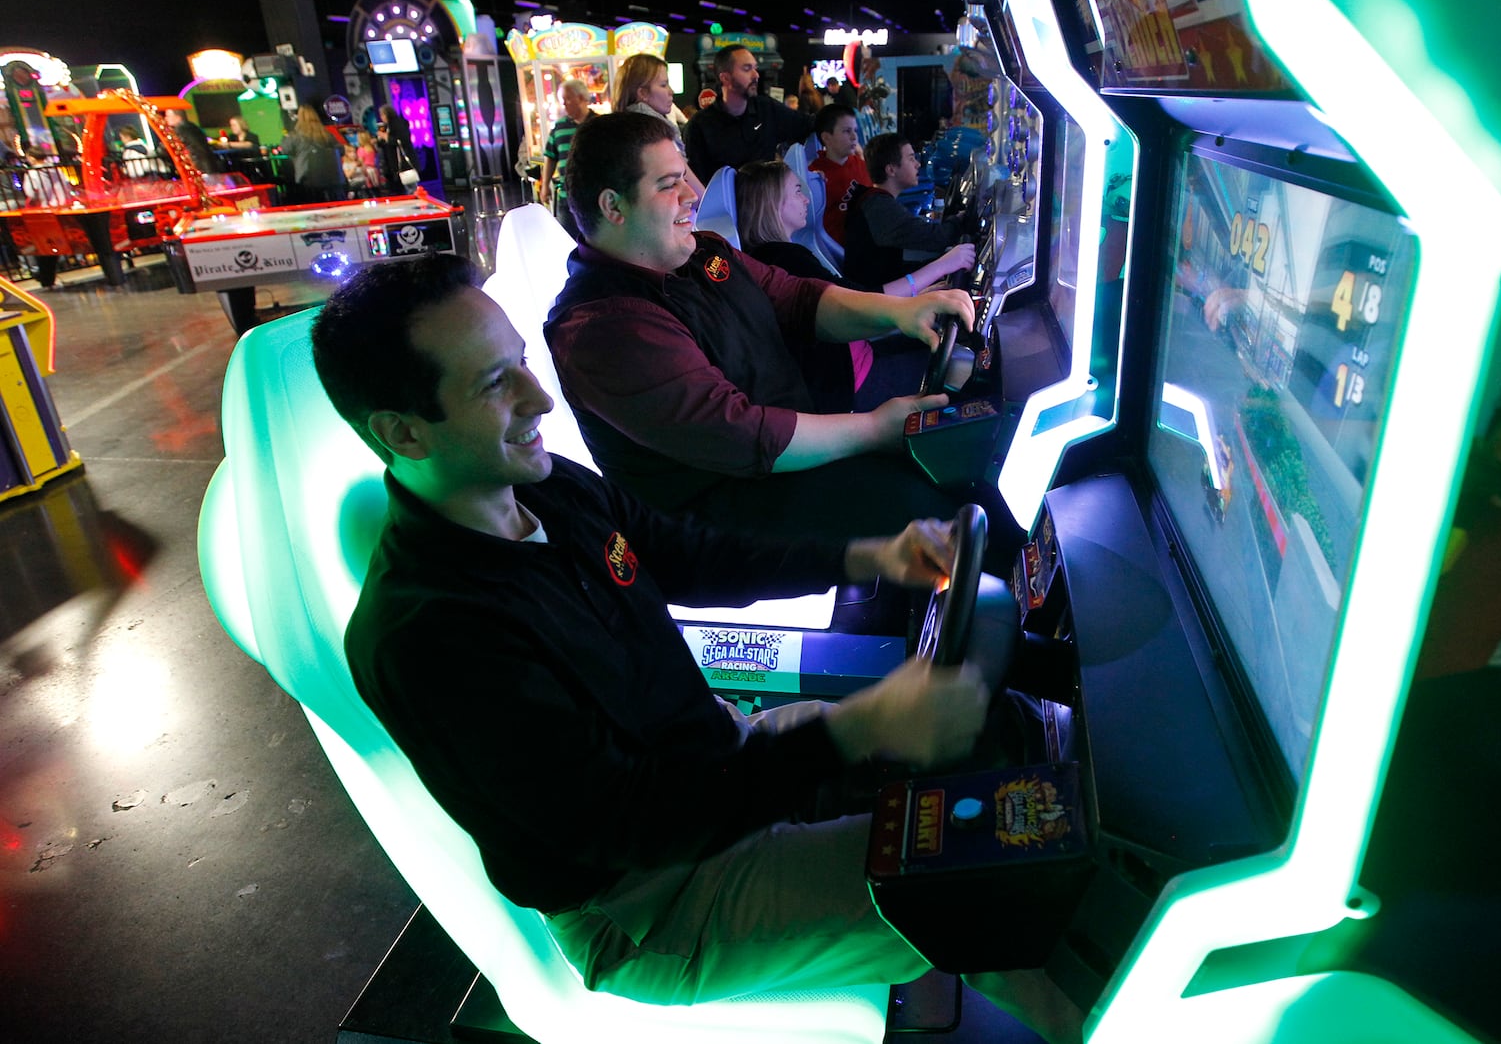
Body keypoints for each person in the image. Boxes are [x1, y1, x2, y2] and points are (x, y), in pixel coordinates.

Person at [309, 251, 1082, 1043]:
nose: (539, 397)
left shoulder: (543, 486)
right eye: (492, 385)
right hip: (655, 899)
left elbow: (684, 552)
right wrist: (862, 726)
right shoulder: (429, 636)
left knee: (1009, 743)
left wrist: (863, 555)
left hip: (716, 761)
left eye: (520, 365)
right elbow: (631, 818)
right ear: (403, 430)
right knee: (982, 887)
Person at [545, 112, 1013, 551]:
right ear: (613, 206)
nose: (691, 196)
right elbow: (738, 432)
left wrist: (898, 312)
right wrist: (873, 429)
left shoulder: (700, 252)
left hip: (785, 466)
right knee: (952, 514)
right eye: (669, 185)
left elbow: (796, 298)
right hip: (718, 524)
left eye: (685, 177)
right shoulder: (603, 325)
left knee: (967, 464)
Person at [735, 159, 976, 412]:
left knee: (958, 353)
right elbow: (859, 300)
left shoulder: (779, 255)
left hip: (863, 357)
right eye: (797, 191)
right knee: (965, 374)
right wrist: (941, 267)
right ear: (772, 203)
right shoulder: (783, 260)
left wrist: (915, 299)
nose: (806, 200)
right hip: (854, 385)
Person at [843, 132, 964, 291]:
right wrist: (960, 221)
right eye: (911, 158)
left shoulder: (875, 200)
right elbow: (934, 237)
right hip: (876, 303)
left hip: (883, 290)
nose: (918, 164)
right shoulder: (878, 206)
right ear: (891, 170)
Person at [683, 44, 811, 184]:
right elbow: (695, 182)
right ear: (725, 78)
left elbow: (810, 124)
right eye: (747, 68)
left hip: (767, 202)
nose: (756, 75)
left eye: (755, 68)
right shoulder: (699, 126)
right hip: (723, 205)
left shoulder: (767, 109)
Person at [613, 53, 704, 199]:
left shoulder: (624, 126)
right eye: (663, 85)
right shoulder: (653, 130)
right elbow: (693, 189)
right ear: (642, 93)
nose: (671, 91)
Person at [808, 104, 870, 246]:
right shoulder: (813, 175)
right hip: (832, 254)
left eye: (855, 130)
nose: (854, 137)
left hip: (865, 248)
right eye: (847, 131)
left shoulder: (864, 166)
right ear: (826, 138)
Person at [541, 77, 592, 237]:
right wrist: (545, 185)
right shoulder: (559, 127)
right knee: (567, 239)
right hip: (566, 197)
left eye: (567, 99)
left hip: (593, 196)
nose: (564, 104)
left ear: (581, 98)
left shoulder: (598, 124)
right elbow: (550, 156)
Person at [279, 105, 345, 204]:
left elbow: (284, 150)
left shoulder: (295, 136)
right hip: (331, 179)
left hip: (306, 180)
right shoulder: (326, 134)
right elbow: (341, 150)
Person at [162, 108, 221, 174]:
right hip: (208, 164)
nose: (166, 118)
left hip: (199, 166)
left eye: (168, 116)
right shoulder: (191, 126)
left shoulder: (181, 129)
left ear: (178, 117)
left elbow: (170, 146)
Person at [375, 105, 416, 196]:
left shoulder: (398, 124)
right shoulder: (388, 126)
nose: (382, 118)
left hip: (403, 162)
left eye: (382, 115)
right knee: (401, 189)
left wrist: (385, 136)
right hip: (394, 164)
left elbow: (401, 141)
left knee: (410, 188)